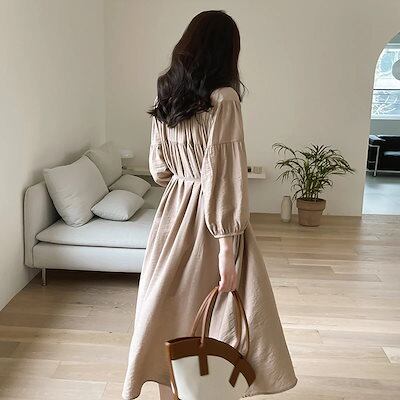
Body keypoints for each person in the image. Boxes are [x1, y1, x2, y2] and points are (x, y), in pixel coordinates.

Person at [122, 10, 297, 400]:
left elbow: (159, 169)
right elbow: (225, 175)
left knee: (167, 311)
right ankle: (208, 390)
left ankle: (171, 391)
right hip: (210, 221)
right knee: (223, 316)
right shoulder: (224, 99)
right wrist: (227, 249)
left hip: (172, 214)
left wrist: (184, 181)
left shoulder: (166, 93)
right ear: (227, 51)